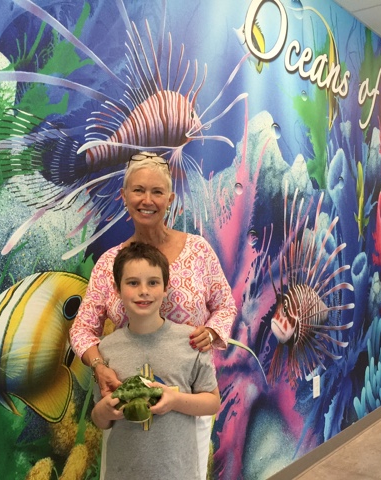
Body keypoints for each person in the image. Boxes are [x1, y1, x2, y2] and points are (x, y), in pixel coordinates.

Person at [70, 151, 236, 478]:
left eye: (157, 192)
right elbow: (81, 330)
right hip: (130, 406)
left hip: (188, 399)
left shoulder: (199, 251)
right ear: (124, 196)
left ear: (170, 199)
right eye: (138, 190)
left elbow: (225, 304)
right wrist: (99, 366)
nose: (147, 200)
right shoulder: (109, 264)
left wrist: (213, 331)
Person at [91, 242, 220, 480]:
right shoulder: (107, 349)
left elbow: (212, 403)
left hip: (178, 473)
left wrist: (175, 400)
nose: (144, 291)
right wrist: (106, 410)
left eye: (153, 282)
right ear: (117, 289)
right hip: (123, 474)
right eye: (133, 283)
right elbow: (99, 419)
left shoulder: (191, 341)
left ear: (165, 288)